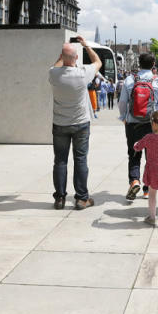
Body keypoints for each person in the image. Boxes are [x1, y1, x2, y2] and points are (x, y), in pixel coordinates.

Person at [48, 36, 101, 210]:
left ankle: (60, 198)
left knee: (60, 161)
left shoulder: (54, 74)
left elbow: (56, 66)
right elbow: (98, 62)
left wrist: (61, 56)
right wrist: (85, 45)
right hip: (81, 124)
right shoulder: (82, 73)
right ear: (76, 58)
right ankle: (81, 198)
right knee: (80, 160)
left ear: (62, 57)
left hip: (60, 124)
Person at [118, 52, 158, 200]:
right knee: (150, 156)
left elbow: (122, 102)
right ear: (153, 64)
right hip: (152, 124)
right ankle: (147, 189)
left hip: (133, 123)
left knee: (134, 154)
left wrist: (124, 117)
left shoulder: (130, 80)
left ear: (138, 63)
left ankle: (134, 181)